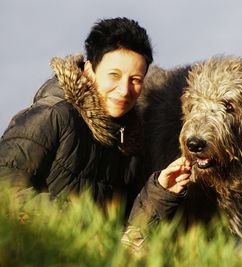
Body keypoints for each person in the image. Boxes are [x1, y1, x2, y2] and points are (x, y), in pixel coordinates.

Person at [0, 17, 190, 251]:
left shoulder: (128, 139)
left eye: (135, 80)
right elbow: (6, 193)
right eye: (114, 75)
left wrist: (161, 192)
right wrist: (87, 229)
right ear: (89, 69)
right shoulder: (51, 116)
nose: (124, 90)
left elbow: (125, 235)